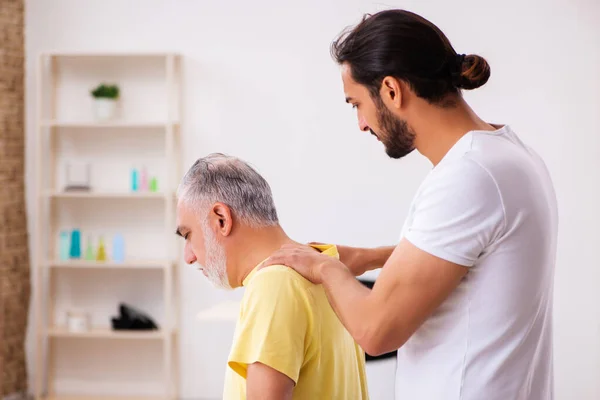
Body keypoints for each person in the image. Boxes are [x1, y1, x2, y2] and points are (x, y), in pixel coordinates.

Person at [264, 9, 558, 400]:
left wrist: (323, 268)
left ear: (391, 89)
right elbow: (476, 257)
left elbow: (376, 332)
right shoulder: (511, 155)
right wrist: (372, 256)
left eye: (356, 104)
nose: (361, 124)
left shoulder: (468, 176)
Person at [175, 153, 369, 400]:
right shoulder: (325, 265)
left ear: (221, 219)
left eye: (188, 235)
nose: (188, 256)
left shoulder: (275, 284)